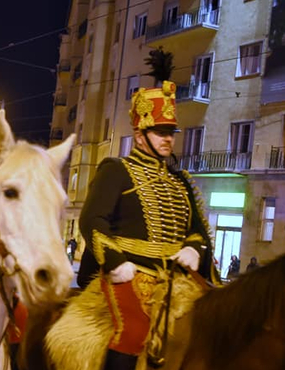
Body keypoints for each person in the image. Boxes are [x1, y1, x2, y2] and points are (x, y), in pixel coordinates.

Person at [76, 80, 219, 369]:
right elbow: (92, 219)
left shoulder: (181, 182)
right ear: (140, 135)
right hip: (130, 271)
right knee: (133, 330)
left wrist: (194, 248)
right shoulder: (117, 171)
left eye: (171, 133)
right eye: (160, 132)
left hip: (176, 275)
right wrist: (115, 262)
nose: (168, 139)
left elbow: (198, 230)